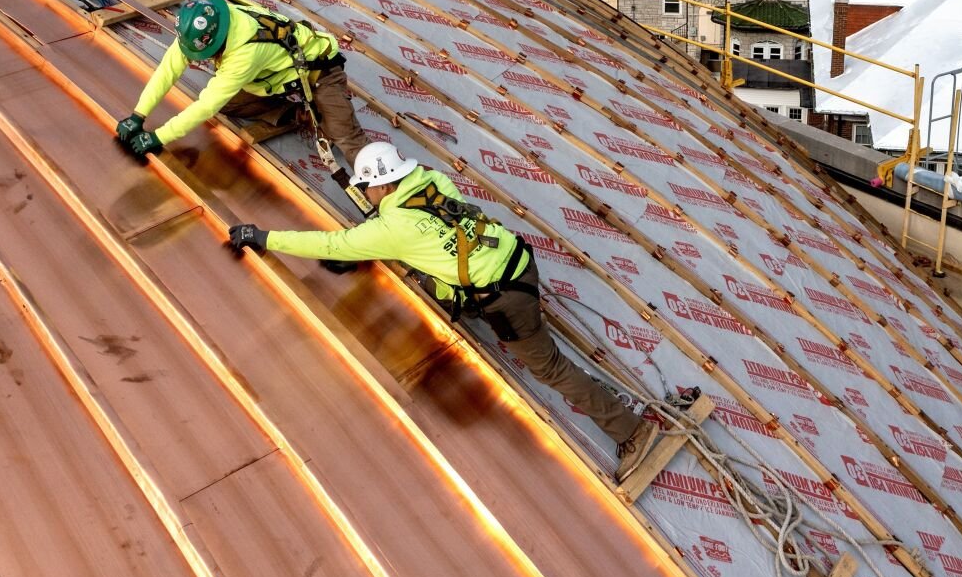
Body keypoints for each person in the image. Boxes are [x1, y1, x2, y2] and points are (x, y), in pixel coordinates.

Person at [226, 143, 669, 482]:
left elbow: (330, 244)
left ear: (383, 186)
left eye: (368, 187)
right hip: (518, 260)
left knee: (548, 367)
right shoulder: (430, 180)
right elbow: (430, 232)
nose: (367, 194)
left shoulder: (392, 227)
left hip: (506, 298)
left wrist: (264, 237)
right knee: (429, 274)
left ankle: (631, 431)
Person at [117, 0, 368, 167]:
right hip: (279, 73)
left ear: (218, 41)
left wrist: (159, 137)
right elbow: (168, 68)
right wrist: (138, 115)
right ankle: (298, 113)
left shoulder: (245, 52)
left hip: (319, 70)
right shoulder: (210, 19)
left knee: (345, 137)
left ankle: (386, 196)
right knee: (229, 103)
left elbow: (206, 106)